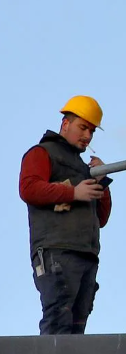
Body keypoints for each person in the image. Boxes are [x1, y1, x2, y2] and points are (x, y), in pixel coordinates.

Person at [19, 96, 112, 335]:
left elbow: (100, 218)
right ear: (65, 124)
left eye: (91, 131)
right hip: (56, 250)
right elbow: (28, 189)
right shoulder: (42, 153)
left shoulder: (83, 168)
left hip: (86, 254)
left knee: (76, 326)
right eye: (83, 127)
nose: (88, 136)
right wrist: (73, 192)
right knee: (59, 317)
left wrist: (103, 182)